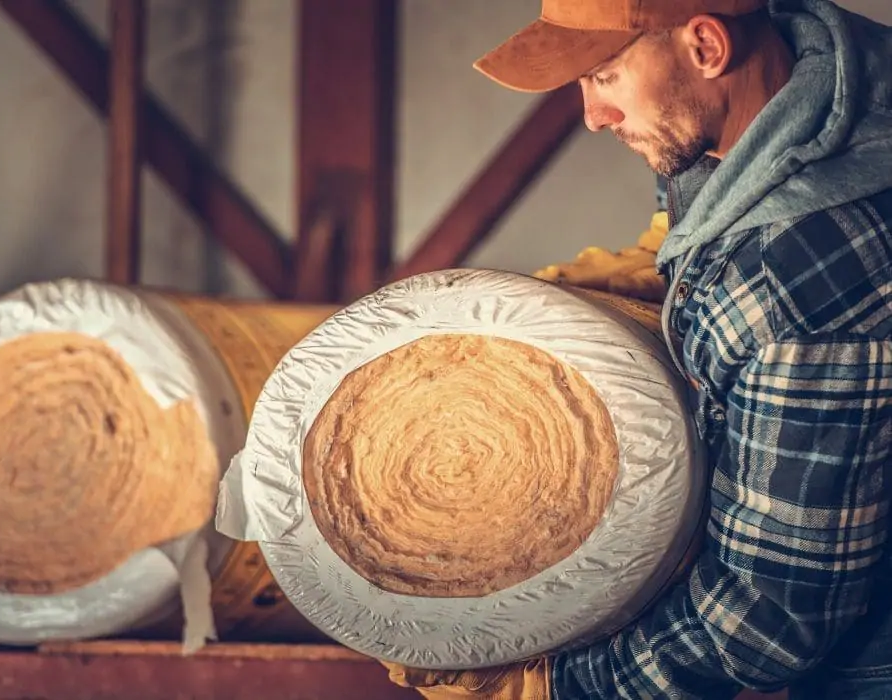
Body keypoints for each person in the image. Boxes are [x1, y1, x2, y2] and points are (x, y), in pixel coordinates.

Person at [381, 0, 892, 698]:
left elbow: (766, 622)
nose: (593, 116)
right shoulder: (830, 75)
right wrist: (673, 260)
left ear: (707, 46)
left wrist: (552, 686)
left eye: (605, 76)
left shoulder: (794, 282)